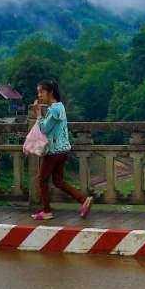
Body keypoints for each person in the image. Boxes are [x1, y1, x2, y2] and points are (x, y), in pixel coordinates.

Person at [31, 79, 93, 221]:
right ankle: (83, 200)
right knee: (58, 181)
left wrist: (38, 114)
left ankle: (46, 211)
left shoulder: (53, 109)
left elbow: (44, 129)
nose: (39, 95)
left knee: (41, 180)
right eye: (38, 92)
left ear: (50, 92)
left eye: (42, 92)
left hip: (54, 151)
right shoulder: (61, 106)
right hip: (63, 150)